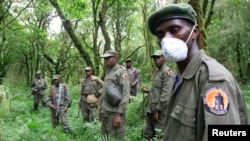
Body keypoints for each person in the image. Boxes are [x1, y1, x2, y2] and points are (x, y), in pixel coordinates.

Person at [147, 3, 249, 141]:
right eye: (161, 34)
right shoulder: (178, 77)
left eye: (174, 29)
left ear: (194, 31)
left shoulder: (214, 80)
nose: (166, 40)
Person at [141, 50, 174, 140]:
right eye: (155, 58)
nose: (156, 60)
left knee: (159, 135)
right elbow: (157, 90)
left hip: (160, 112)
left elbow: (166, 94)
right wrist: (148, 91)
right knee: (147, 134)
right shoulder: (157, 72)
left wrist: (158, 110)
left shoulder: (167, 72)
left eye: (158, 57)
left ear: (164, 58)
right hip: (151, 110)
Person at [99, 50, 130, 140]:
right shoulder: (108, 72)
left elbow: (125, 94)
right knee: (105, 138)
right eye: (105, 58)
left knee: (116, 138)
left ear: (115, 58)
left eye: (108, 58)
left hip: (114, 113)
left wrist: (119, 114)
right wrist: (101, 109)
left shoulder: (121, 72)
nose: (106, 60)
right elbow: (105, 92)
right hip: (106, 112)